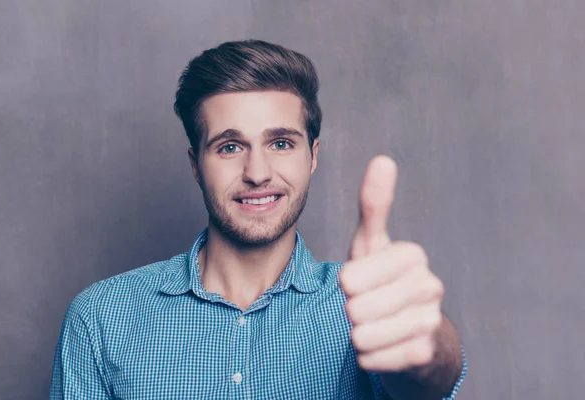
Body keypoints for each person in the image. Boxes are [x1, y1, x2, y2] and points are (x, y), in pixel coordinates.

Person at [50, 39, 467, 399]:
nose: (258, 173)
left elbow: (426, 383)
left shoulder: (364, 305)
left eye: (281, 143)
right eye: (230, 147)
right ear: (196, 165)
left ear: (313, 156)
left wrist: (429, 348)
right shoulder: (102, 318)